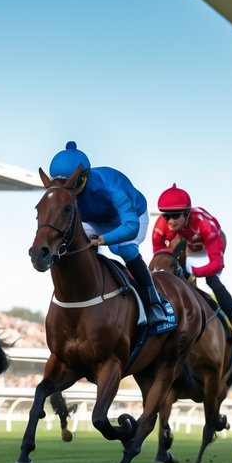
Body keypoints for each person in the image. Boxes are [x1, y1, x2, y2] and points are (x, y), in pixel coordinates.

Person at [48, 141, 174, 332]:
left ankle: (154, 304)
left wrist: (102, 240)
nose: (68, 189)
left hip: (129, 218)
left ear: (84, 178)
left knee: (122, 248)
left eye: (72, 184)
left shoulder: (111, 185)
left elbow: (131, 227)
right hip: (93, 220)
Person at [150, 184, 232, 348]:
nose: (170, 221)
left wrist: (193, 273)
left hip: (206, 246)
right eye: (166, 215)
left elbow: (217, 264)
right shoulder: (164, 225)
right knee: (167, 269)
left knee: (211, 280)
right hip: (186, 243)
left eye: (175, 216)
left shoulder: (205, 225)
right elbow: (159, 253)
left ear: (187, 213)